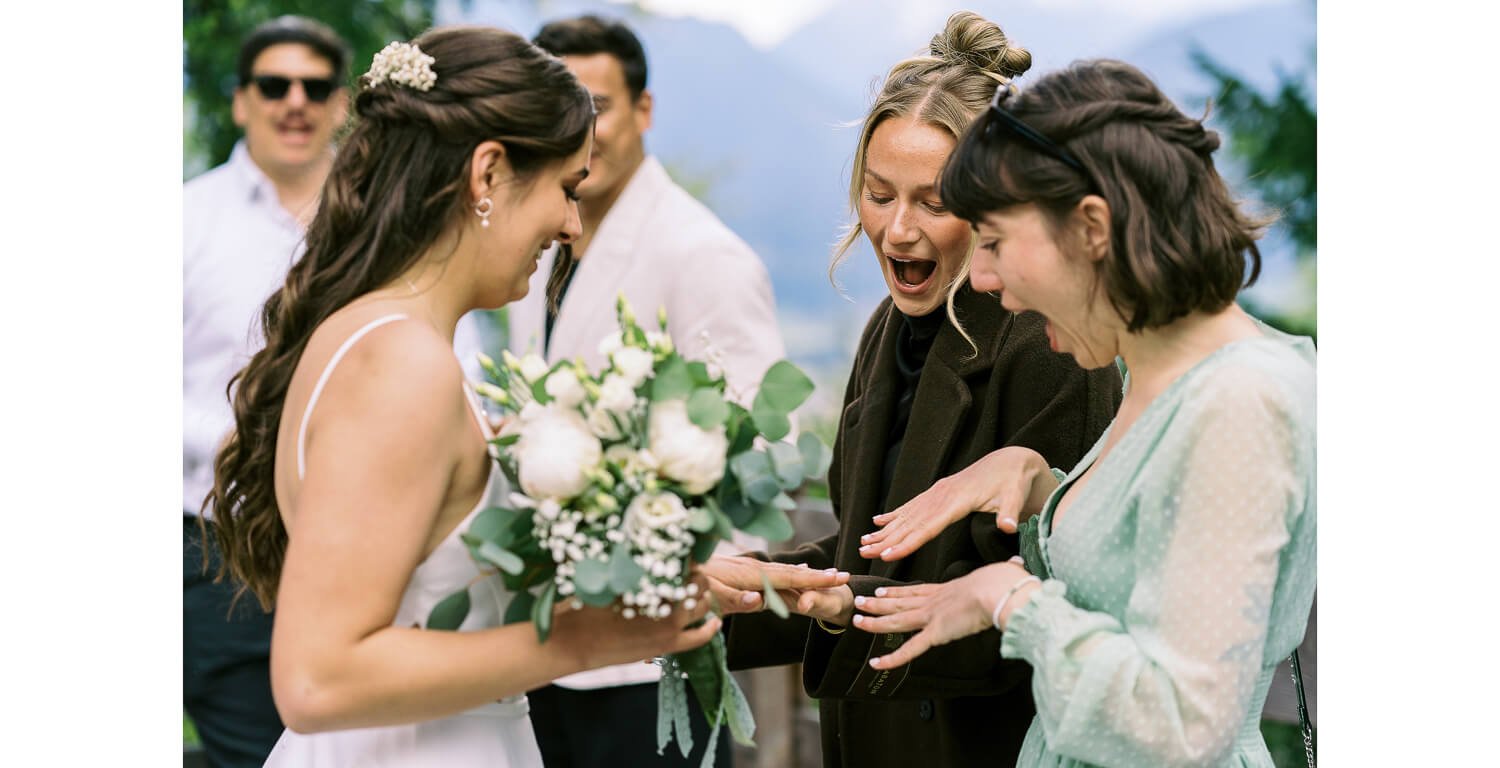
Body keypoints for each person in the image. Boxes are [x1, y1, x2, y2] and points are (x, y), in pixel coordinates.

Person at [204, 26, 726, 767]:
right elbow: (316, 680)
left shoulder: (372, 333)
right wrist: (584, 641)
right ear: (488, 174)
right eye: (566, 188)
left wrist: (691, 574)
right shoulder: (402, 363)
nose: (572, 224)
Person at [854, 59, 1317, 767]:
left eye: (998, 243)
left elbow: (1182, 726)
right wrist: (1039, 484)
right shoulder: (1155, 377)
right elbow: (1134, 568)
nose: (983, 280)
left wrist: (1008, 598)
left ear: (1091, 228)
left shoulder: (1237, 404)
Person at [699, 13, 1122, 767]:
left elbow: (1057, 586)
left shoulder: (1050, 346)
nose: (896, 231)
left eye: (932, 201)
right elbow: (869, 547)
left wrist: (846, 602)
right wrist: (739, 598)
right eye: (878, 194)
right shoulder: (885, 331)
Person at [504, 15, 786, 767]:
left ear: (644, 111)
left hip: (655, 660)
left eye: (596, 106)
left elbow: (760, 455)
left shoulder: (703, 255)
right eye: (561, 112)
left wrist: (677, 603)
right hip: (547, 650)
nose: (581, 131)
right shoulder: (530, 251)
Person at [183, 15, 350, 767]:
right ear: (242, 101)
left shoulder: (379, 224)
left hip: (351, 549)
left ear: (341, 104)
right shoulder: (185, 220)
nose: (295, 101)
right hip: (209, 550)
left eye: (314, 86)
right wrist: (238, 441)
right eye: (273, 85)